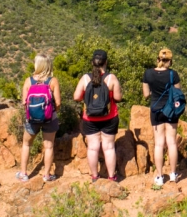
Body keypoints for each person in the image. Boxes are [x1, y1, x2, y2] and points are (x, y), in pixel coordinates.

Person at [72, 49, 123, 182]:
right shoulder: (111, 78)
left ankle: (95, 176)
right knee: (109, 147)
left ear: (92, 63)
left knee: (93, 147)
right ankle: (112, 177)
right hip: (109, 118)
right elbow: (118, 97)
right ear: (106, 62)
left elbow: (76, 97)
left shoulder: (85, 78)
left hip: (89, 118)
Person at [16, 54, 63, 182]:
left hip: (32, 119)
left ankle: (23, 174)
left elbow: (24, 102)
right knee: (48, 146)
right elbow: (58, 102)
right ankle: (47, 176)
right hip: (49, 118)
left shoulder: (29, 81)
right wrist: (52, 112)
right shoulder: (53, 81)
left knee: (26, 144)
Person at [142, 48, 182, 189]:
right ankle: (172, 174)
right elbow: (178, 93)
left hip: (156, 110)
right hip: (171, 111)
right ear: (170, 61)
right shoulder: (173, 74)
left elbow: (146, 94)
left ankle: (159, 176)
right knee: (171, 142)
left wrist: (154, 90)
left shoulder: (148, 74)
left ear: (158, 59)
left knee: (159, 144)